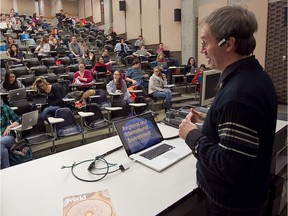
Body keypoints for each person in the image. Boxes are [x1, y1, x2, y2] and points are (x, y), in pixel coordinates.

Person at [178, 5, 277, 216]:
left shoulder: (239, 93)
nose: (202, 50)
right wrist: (212, 121)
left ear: (229, 43)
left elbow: (230, 168)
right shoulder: (255, 76)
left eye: (205, 42)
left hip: (232, 206)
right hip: (249, 198)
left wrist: (191, 135)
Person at [0, 103, 21, 169]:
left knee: (0, 142)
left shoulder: (5, 108)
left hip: (9, 138)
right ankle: (6, 171)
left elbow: (18, 121)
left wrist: (9, 127)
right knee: (4, 151)